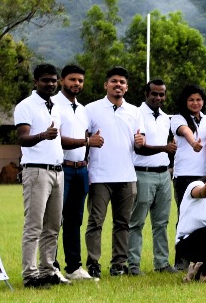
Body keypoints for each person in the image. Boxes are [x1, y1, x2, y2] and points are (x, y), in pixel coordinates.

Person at [84, 67, 146, 278]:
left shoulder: (135, 111)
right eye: (114, 81)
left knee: (123, 223)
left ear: (127, 87)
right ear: (106, 85)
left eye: (122, 82)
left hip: (127, 176)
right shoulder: (91, 109)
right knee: (95, 222)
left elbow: (140, 143)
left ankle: (118, 264)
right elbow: (84, 139)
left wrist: (141, 142)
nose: (118, 85)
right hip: (99, 176)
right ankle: (93, 263)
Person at [15, 64, 66, 287]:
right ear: (35, 82)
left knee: (53, 226)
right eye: (46, 80)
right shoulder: (25, 106)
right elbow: (22, 138)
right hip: (36, 171)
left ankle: (48, 270)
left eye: (54, 80)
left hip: (57, 171)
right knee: (34, 225)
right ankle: (30, 275)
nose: (51, 84)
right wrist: (44, 135)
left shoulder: (55, 107)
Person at [129, 79, 177, 275]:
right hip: (142, 173)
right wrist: (165, 148)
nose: (158, 97)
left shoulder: (166, 118)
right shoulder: (136, 114)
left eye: (161, 94)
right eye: (154, 94)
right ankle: (133, 265)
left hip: (164, 174)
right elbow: (139, 148)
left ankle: (162, 263)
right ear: (146, 94)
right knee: (136, 222)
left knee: (161, 222)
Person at [52, 64, 95, 281]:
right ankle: (52, 266)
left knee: (74, 220)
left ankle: (74, 267)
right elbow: (57, 139)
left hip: (81, 170)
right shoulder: (54, 105)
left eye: (80, 80)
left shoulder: (83, 109)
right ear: (62, 80)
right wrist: (88, 141)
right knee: (54, 220)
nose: (76, 84)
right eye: (72, 79)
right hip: (62, 169)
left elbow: (86, 137)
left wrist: (86, 155)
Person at [169, 85, 206, 239]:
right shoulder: (177, 118)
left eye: (198, 99)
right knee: (185, 216)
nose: (195, 103)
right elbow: (185, 131)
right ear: (185, 101)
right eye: (191, 100)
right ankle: (181, 260)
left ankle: (201, 260)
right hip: (184, 176)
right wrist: (193, 143)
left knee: (205, 217)